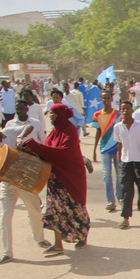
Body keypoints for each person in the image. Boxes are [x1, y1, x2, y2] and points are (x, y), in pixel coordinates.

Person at [18, 103, 90, 254]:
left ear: (60, 115)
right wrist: (29, 149)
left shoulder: (70, 131)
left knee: (75, 207)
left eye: (52, 113)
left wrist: (34, 145)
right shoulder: (54, 132)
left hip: (70, 177)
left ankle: (82, 235)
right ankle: (58, 244)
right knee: (55, 210)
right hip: (55, 178)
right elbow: (48, 153)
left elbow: (63, 153)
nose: (50, 116)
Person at [0, 112, 49, 265]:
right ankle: (7, 253)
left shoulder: (9, 133)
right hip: (8, 186)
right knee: (5, 217)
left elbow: (29, 127)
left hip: (24, 182)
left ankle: (39, 239)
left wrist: (20, 137)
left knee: (35, 212)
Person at [114, 101, 140, 229]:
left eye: (127, 109)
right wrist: (119, 159)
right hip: (126, 161)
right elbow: (119, 144)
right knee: (126, 190)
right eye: (123, 109)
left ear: (132, 110)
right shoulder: (118, 127)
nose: (125, 111)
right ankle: (125, 217)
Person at [93, 92, 121, 212]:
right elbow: (98, 132)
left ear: (111, 99)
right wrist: (94, 149)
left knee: (119, 174)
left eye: (108, 98)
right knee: (107, 175)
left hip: (117, 148)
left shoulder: (118, 114)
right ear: (101, 99)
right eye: (104, 98)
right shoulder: (97, 115)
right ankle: (111, 201)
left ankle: (119, 195)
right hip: (104, 149)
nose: (106, 100)